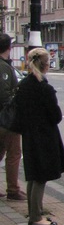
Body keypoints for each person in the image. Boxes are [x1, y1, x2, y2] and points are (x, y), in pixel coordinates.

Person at [14, 48, 64, 225]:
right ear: (45, 65)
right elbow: (56, 116)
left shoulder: (24, 85)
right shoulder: (44, 88)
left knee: (33, 174)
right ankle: (36, 217)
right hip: (44, 136)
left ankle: (33, 211)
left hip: (29, 134)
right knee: (41, 176)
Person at [0, 34, 27, 201]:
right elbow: (4, 95)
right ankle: (13, 189)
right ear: (8, 48)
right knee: (14, 153)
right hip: (6, 119)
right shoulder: (4, 68)